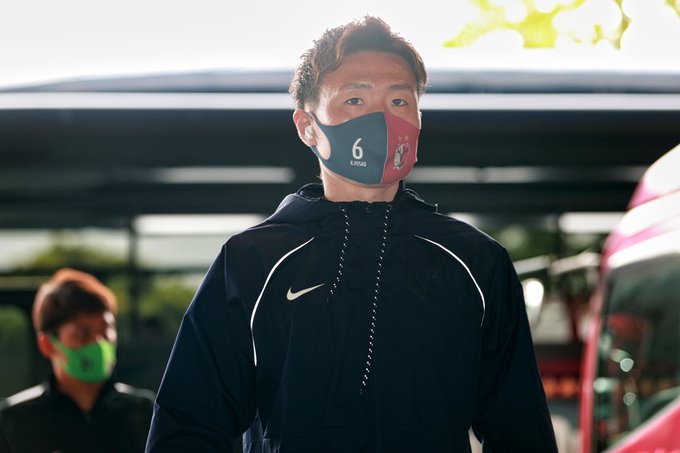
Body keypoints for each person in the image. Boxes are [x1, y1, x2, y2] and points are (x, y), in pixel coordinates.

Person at [146, 16, 558, 453]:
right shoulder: (251, 261)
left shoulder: (475, 261)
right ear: (307, 126)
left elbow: (520, 429)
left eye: (399, 100)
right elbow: (188, 426)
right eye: (355, 99)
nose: (382, 118)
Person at [0, 268, 155, 453]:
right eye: (83, 334)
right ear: (47, 344)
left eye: (106, 331)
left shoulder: (146, 412)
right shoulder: (13, 420)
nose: (98, 343)